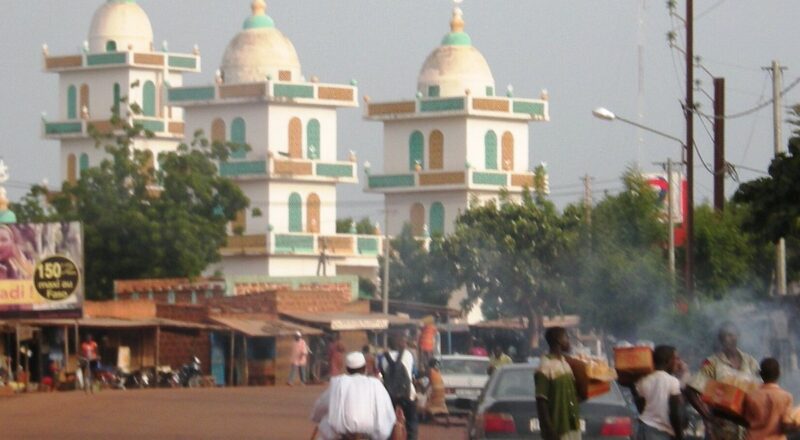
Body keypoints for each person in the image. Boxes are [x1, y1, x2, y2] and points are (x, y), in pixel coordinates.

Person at [687, 322, 760, 440]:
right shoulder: (712, 363)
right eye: (725, 336)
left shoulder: (751, 362)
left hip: (747, 429)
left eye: (731, 335)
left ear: (738, 336)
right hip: (722, 429)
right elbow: (691, 389)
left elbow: (761, 391)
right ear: (720, 339)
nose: (728, 339)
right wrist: (708, 417)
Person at [311, 351, 396, 440]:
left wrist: (315, 417)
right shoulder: (375, 384)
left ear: (347, 369)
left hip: (342, 435)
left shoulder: (339, 383)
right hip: (370, 436)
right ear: (364, 368)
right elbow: (388, 410)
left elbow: (321, 405)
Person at [535, 327, 586, 440]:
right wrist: (549, 430)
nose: (569, 341)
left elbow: (570, 396)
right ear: (558, 340)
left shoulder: (565, 363)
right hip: (558, 431)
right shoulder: (545, 366)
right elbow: (541, 402)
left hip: (572, 427)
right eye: (566, 337)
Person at [628, 345, 685, 440]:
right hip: (660, 433)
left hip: (642, 428)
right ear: (668, 361)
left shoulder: (643, 380)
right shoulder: (672, 381)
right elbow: (675, 413)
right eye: (676, 359)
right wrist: (679, 436)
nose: (677, 362)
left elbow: (641, 408)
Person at [743, 358, 793, 440]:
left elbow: (746, 421)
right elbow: (786, 425)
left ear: (761, 374)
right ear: (779, 374)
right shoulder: (786, 397)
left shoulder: (750, 395)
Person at [380, 331, 418, 440]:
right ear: (400, 344)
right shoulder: (408, 355)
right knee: (411, 420)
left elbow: (383, 374)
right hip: (407, 394)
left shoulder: (383, 358)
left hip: (389, 395)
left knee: (387, 422)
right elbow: (413, 372)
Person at [423, 359, 449, 425]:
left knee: (429, 403)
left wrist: (425, 389)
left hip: (436, 388)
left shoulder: (430, 370)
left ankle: (430, 419)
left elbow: (430, 382)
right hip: (441, 388)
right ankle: (447, 419)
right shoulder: (437, 370)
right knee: (441, 404)